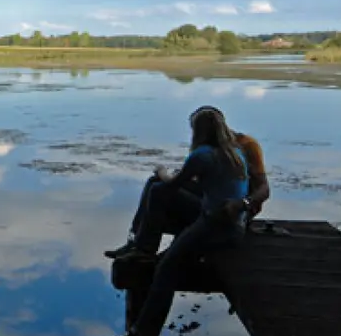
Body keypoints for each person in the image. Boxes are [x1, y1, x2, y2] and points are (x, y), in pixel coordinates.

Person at [109, 107, 252, 336]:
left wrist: (162, 172)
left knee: (167, 267)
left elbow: (172, 185)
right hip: (234, 223)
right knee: (157, 188)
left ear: (198, 131)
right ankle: (141, 246)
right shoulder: (235, 152)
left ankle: (144, 335)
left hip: (216, 226)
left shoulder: (202, 155)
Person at [104, 105, 269, 260]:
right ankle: (135, 241)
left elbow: (264, 189)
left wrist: (244, 204)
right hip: (212, 198)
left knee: (159, 190)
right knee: (154, 181)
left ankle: (144, 250)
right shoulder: (212, 148)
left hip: (230, 212)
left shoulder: (247, 145)